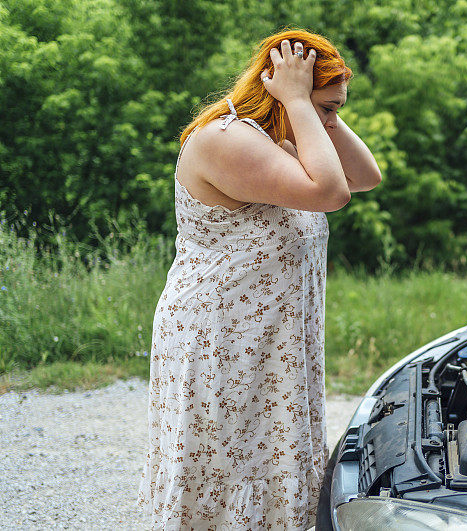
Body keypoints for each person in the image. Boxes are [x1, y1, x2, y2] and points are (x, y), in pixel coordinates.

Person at [136, 28, 381, 530]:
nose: (331, 119)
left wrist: (312, 111)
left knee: (270, 463)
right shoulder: (226, 140)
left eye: (337, 108)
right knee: (227, 474)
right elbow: (333, 192)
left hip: (273, 342)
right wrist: (298, 100)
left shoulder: (288, 134)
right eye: (327, 108)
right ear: (280, 91)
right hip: (223, 340)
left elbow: (365, 176)